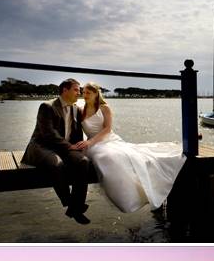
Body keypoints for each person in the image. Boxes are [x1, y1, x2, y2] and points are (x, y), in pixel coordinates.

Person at [74, 82, 185, 212]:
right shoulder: (81, 110)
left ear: (96, 93)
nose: (85, 95)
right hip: (91, 145)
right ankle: (128, 196)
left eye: (88, 92)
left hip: (106, 140)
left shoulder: (104, 108)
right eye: (84, 92)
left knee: (120, 155)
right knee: (105, 157)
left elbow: (107, 129)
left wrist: (90, 142)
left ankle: (140, 192)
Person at [21, 78, 91, 224]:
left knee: (83, 162)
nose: (79, 93)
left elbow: (77, 133)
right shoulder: (47, 106)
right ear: (65, 90)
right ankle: (72, 205)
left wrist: (78, 149)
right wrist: (68, 147)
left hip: (65, 147)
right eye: (76, 90)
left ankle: (76, 207)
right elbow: (48, 133)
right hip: (42, 146)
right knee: (57, 164)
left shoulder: (76, 109)